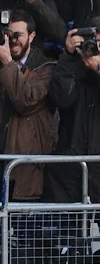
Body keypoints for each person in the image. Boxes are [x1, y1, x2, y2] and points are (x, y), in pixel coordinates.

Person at [0, 10, 56, 201]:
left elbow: (25, 101)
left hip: (24, 164)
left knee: (19, 226)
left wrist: (6, 61)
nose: (12, 40)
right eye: (8, 34)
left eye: (18, 35)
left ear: (32, 35)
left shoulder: (46, 67)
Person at [44, 20, 100, 202]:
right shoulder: (74, 70)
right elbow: (62, 98)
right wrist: (68, 56)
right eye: (93, 43)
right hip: (72, 168)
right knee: (70, 228)